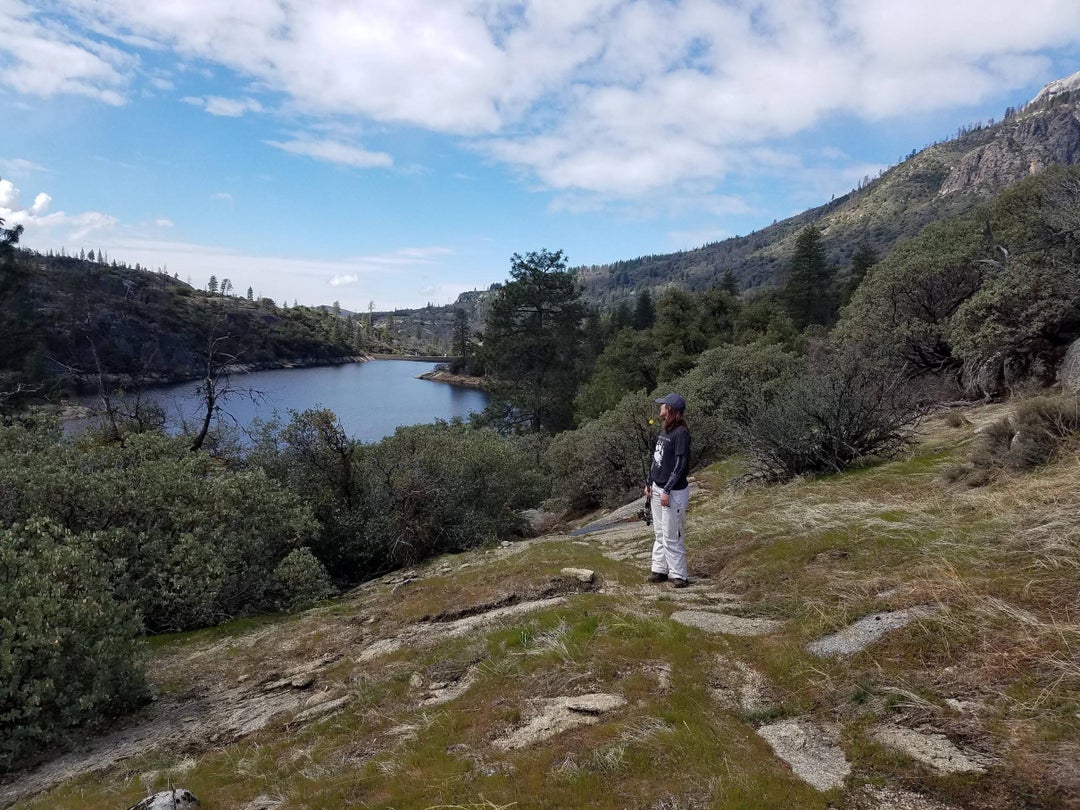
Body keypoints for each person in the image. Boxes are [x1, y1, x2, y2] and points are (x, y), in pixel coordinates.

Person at [644, 392, 691, 588]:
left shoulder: (681, 433)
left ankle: (679, 574)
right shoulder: (665, 431)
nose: (660, 407)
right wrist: (649, 482)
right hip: (657, 488)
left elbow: (680, 464)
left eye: (663, 405)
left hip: (673, 492)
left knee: (673, 533)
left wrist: (667, 490)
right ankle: (660, 569)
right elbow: (657, 459)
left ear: (670, 409)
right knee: (660, 531)